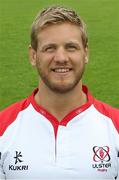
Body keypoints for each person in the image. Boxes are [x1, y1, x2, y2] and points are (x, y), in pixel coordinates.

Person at [0, 5, 119, 180]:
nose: (61, 58)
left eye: (71, 47)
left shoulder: (115, 126)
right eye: (50, 48)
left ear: (86, 53)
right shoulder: (4, 128)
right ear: (33, 55)